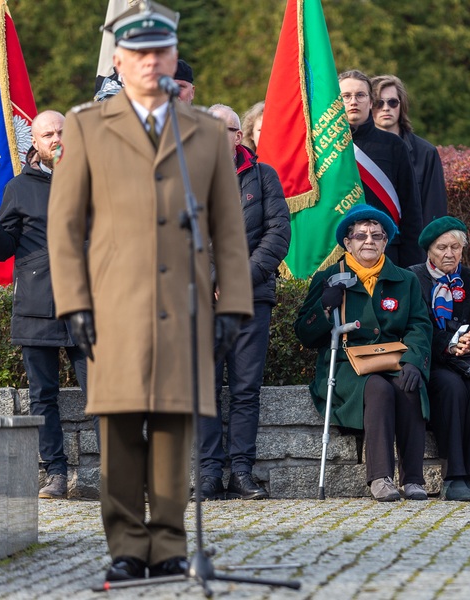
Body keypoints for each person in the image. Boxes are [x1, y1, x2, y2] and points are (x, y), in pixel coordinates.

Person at [47, 2, 253, 583]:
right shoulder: (88, 126)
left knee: (171, 427)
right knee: (118, 428)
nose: (150, 61)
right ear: (120, 59)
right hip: (113, 306)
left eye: (160, 51)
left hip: (183, 307)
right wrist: (75, 302)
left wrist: (233, 302)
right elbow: (64, 228)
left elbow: (227, 227)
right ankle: (125, 547)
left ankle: (168, 544)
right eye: (139, 53)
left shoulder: (207, 133)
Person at [0, 110, 96, 500]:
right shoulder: (18, 188)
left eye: (62, 132)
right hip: (37, 306)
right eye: (48, 134)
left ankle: (102, 475)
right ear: (35, 143)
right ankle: (56, 474)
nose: (56, 139)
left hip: (87, 304)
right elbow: (4, 248)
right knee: (43, 396)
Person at [294, 205, 432, 502]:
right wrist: (325, 306)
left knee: (409, 387)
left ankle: (413, 480)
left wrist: (413, 362)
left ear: (385, 242)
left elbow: (420, 324)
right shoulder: (330, 276)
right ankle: (380, 478)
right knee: (379, 389)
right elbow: (305, 334)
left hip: (393, 359)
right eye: (360, 235)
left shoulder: (405, 280)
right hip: (346, 365)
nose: (368, 241)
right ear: (347, 242)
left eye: (377, 235)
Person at [195, 104, 291, 501]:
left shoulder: (263, 176)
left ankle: (241, 472)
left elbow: (278, 234)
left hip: (252, 296)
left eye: (229, 129)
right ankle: (208, 474)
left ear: (239, 136)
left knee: (245, 389)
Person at [408, 217, 470, 501]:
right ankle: (453, 475)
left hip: (469, 360)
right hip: (435, 361)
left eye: (455, 247)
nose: (449, 253)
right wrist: (448, 345)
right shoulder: (413, 278)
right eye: (441, 247)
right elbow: (415, 325)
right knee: (451, 388)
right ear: (428, 250)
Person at [339, 70, 424, 268]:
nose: (353, 101)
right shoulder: (323, 149)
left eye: (360, 95)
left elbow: (411, 210)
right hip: (337, 256)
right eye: (346, 96)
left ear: (370, 102)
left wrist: (412, 266)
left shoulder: (393, 145)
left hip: (388, 255)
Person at [371, 74, 448, 225]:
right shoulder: (355, 153)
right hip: (368, 242)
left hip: (412, 244)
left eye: (392, 102)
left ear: (402, 105)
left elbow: (435, 211)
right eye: (379, 103)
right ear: (369, 105)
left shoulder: (426, 153)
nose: (386, 108)